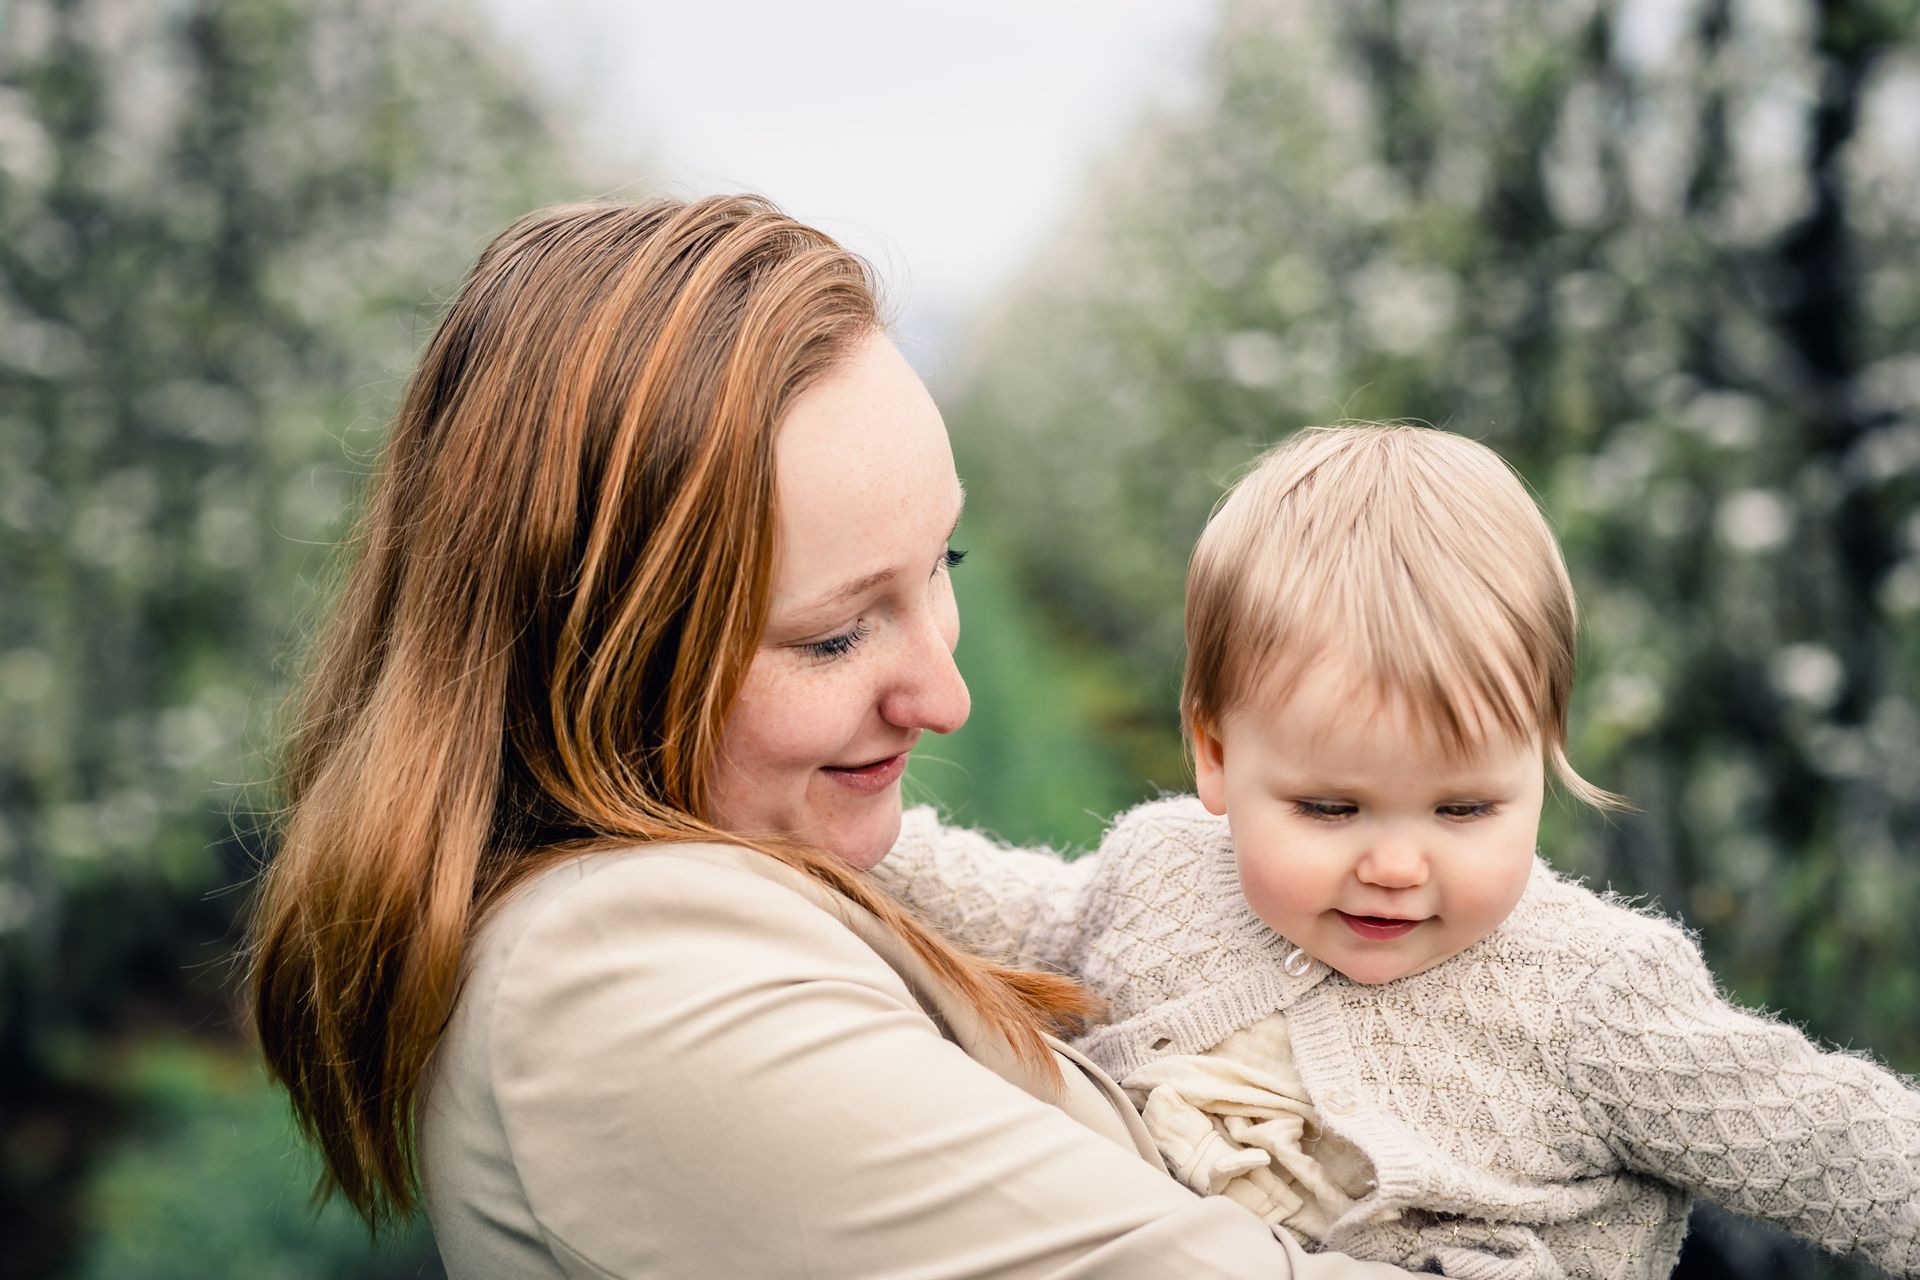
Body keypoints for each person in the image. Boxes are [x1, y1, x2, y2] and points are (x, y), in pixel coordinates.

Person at [244, 197, 1425, 1278]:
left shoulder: (697, 906)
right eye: (832, 636)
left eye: (940, 565)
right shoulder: (631, 986)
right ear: (593, 650)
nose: (946, 695)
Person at [875, 425, 1920, 1280]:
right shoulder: (1161, 875)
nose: (1395, 863)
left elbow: (1836, 1139)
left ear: (1543, 761)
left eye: (1464, 809)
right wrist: (821, 837)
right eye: (1331, 806)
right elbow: (1010, 905)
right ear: (1216, 755)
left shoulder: (1593, 994)